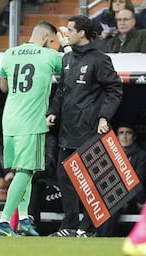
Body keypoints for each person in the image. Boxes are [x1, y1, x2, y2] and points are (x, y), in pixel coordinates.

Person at [46, 15, 123, 237]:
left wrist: (104, 117)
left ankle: (88, 229)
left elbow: (114, 89)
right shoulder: (67, 58)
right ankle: (69, 226)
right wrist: (53, 112)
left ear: (82, 33)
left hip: (89, 129)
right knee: (64, 176)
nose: (66, 33)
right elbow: (61, 91)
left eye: (70, 29)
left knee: (90, 180)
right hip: (68, 130)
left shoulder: (100, 59)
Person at [0, 21, 63, 237]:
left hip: (10, 120)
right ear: (48, 39)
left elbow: (3, 87)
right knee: (25, 171)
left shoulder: (10, 53)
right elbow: (68, 68)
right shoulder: (50, 55)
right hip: (31, 122)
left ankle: (23, 219)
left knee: (26, 172)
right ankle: (4, 222)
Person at [0, 144, 38, 236]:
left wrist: (14, 175)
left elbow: (40, 168)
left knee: (17, 193)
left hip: (20, 186)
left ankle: (11, 230)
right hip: (2, 187)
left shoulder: (30, 145)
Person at [98, 124, 146, 237]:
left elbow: (138, 180)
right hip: (113, 194)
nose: (124, 136)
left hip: (134, 196)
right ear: (116, 136)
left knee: (114, 199)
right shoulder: (110, 154)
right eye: (121, 133)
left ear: (134, 137)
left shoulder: (141, 155)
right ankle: (91, 233)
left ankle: (104, 236)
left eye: (128, 133)